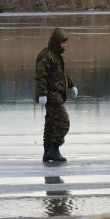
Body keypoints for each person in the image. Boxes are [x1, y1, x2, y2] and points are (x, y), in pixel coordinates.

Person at [35, 28, 78, 163]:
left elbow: (61, 74)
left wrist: (71, 85)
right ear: (56, 42)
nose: (65, 45)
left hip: (56, 94)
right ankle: (54, 150)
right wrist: (42, 94)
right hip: (51, 95)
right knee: (63, 122)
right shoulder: (46, 56)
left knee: (51, 123)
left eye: (65, 43)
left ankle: (47, 152)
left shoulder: (56, 55)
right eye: (63, 43)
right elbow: (41, 77)